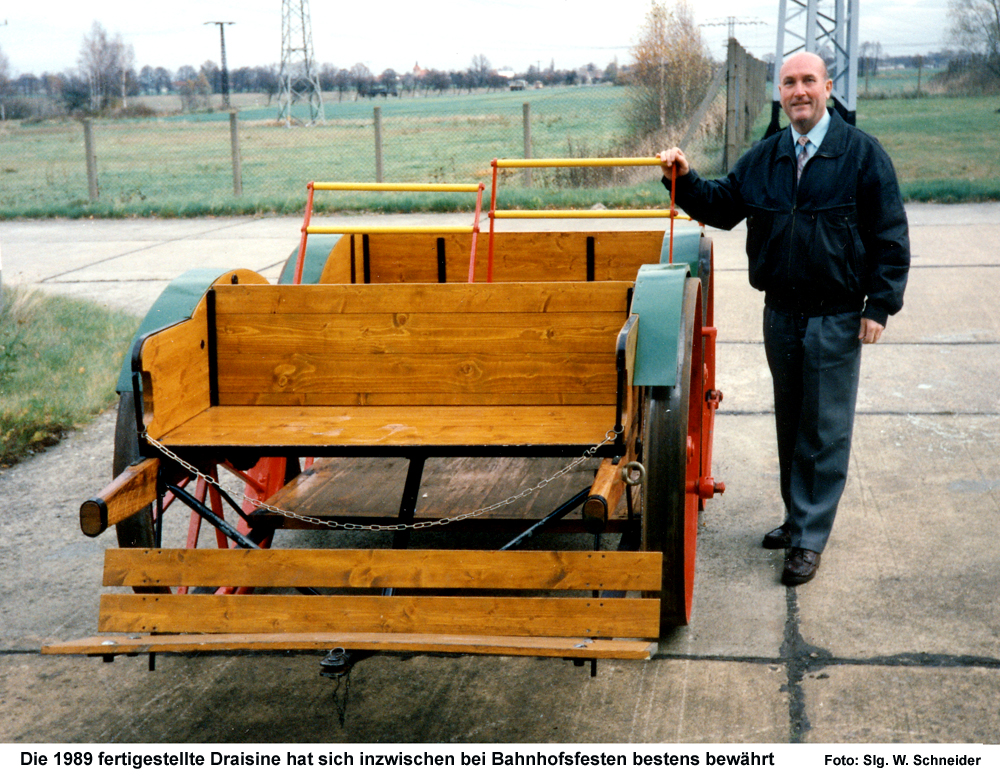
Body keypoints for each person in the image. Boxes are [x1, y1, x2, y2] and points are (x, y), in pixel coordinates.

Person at [658, 51, 910, 586]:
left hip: (836, 315)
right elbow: (723, 205)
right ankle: (798, 519)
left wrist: (880, 305)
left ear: (828, 87)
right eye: (790, 82)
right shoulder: (768, 156)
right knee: (792, 424)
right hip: (781, 314)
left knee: (825, 429)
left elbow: (890, 233)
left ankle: (809, 540)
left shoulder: (862, 154)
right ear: (780, 91)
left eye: (808, 81)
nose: (799, 91)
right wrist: (683, 178)